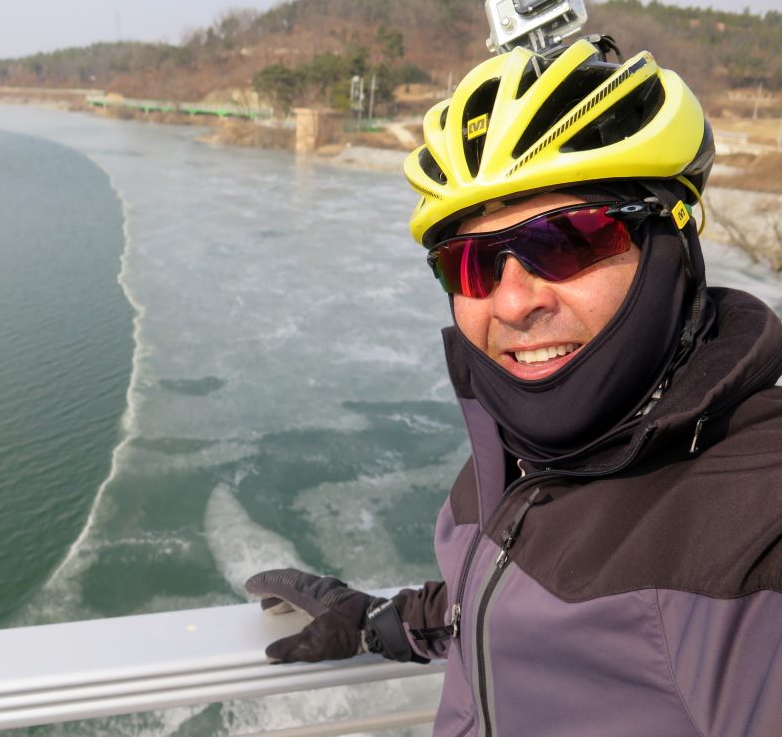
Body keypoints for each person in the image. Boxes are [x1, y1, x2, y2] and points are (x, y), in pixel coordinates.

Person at [246, 37, 782, 736]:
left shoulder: (752, 533)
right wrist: (384, 621)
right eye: (471, 265)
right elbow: (521, 599)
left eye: (569, 241)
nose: (511, 302)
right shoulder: (514, 465)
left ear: (671, 248)